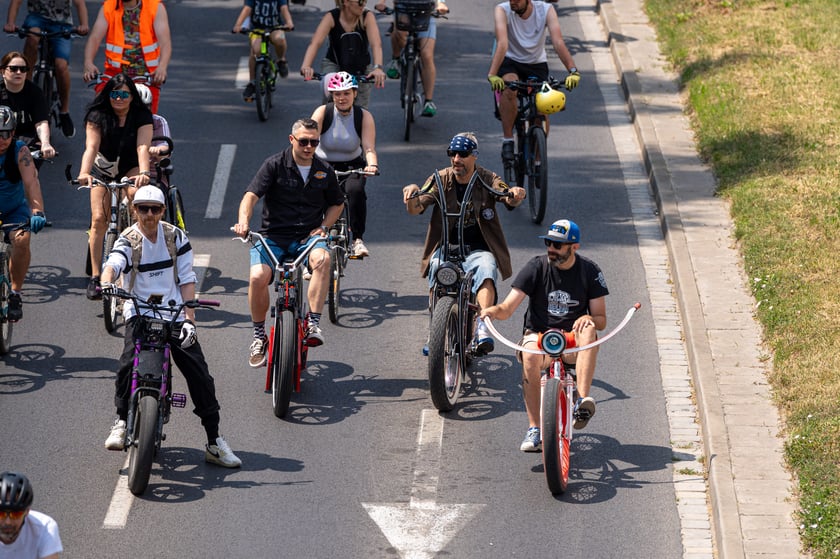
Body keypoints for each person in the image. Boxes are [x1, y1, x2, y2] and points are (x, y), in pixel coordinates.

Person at [99, 185, 242, 468]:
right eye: (142, 209)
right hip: (139, 311)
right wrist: (106, 281)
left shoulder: (176, 238)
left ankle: (214, 442)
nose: (148, 214)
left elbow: (187, 279)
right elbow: (113, 263)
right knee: (128, 362)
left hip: (174, 313)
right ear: (134, 210)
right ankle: (120, 421)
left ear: (163, 211)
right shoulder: (129, 240)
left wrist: (190, 320)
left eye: (154, 209)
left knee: (199, 374)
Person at [479, 219, 609, 452]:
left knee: (590, 329)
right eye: (549, 243)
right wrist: (492, 311)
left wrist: (588, 318)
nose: (551, 248)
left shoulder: (590, 270)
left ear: (574, 247)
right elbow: (507, 308)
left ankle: (582, 400)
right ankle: (535, 428)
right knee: (529, 356)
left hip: (572, 342)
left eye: (557, 245)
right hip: (539, 338)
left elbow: (601, 319)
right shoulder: (536, 267)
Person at [233, 118, 344, 367]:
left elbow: (338, 202)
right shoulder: (273, 165)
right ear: (292, 139)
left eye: (314, 142)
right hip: (273, 237)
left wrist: (324, 227)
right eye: (303, 141)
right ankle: (259, 335)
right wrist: (243, 222)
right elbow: (250, 196)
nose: (308, 147)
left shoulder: (324, 170)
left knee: (324, 259)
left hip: (307, 238)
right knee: (257, 277)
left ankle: (313, 323)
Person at [401, 132, 525, 354]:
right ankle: (435, 330)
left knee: (487, 269)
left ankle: (483, 326)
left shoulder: (487, 178)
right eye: (453, 153)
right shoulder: (440, 179)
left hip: (478, 249)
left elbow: (507, 195)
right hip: (447, 248)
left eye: (463, 154)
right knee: (436, 269)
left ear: (474, 156)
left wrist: (515, 194)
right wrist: (411, 196)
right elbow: (417, 207)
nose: (457, 159)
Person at [76, 73, 152, 301]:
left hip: (130, 167)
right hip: (103, 168)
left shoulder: (141, 115)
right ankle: (96, 277)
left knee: (136, 198)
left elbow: (142, 148)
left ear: (132, 96)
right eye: (114, 94)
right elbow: (91, 147)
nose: (119, 99)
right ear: (107, 95)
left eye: (124, 94)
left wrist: (145, 173)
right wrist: (84, 173)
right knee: (99, 218)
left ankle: (140, 249)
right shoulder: (97, 115)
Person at [487, 0, 580, 164]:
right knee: (510, 88)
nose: (512, 2)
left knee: (542, 107)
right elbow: (502, 43)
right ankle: (508, 139)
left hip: (536, 64)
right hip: (510, 61)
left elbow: (558, 42)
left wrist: (572, 71)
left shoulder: (546, 10)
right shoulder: (502, 10)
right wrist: (492, 74)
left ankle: (538, 160)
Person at [310, 71, 378, 257]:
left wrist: (372, 165)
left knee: (355, 190)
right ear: (331, 95)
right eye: (337, 94)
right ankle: (309, 243)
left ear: (355, 93)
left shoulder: (363, 116)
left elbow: (369, 148)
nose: (342, 98)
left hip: (352, 166)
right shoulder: (322, 112)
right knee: (313, 196)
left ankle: (357, 239)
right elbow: (309, 138)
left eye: (346, 93)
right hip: (323, 165)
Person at [3, 0, 89, 138]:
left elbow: (80, 4)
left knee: (61, 65)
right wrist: (10, 23)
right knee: (32, 37)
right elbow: (16, 2)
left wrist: (84, 25)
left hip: (62, 23)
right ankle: (26, 84)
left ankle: (64, 112)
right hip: (37, 19)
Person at [82, 0, 171, 114]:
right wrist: (88, 62)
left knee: (147, 120)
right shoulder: (109, 7)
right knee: (99, 114)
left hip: (146, 77)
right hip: (115, 76)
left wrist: (162, 67)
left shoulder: (155, 7)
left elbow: (165, 43)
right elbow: (95, 38)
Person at [0, 105, 47, 323]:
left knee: (21, 239)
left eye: (5, 134)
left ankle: (15, 293)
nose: (1, 139)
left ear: (13, 133)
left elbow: (31, 181)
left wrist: (37, 211)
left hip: (13, 210)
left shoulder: (20, 151)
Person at [299, 0, 386, 110]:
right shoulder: (331, 17)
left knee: (361, 112)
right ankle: (326, 119)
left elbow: (376, 44)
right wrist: (306, 65)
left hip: (362, 67)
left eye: (364, 1)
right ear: (346, 2)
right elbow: (315, 43)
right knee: (329, 104)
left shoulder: (367, 16)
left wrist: (378, 68)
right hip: (335, 64)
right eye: (359, 2)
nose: (363, 5)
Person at [375, 0, 448, 117]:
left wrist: (441, 4)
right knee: (398, 32)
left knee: (427, 55)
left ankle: (428, 101)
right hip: (403, 9)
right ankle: (396, 59)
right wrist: (381, 2)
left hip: (426, 13)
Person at [232, 0, 294, 103]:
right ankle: (252, 82)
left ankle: (281, 60)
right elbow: (247, 9)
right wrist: (238, 25)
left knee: (280, 39)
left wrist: (289, 23)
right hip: (257, 29)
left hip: (275, 27)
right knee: (255, 51)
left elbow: (284, 9)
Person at [0, 52, 54, 161]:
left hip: (27, 143)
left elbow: (41, 122)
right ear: (2, 72)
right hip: (2, 141)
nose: (19, 72)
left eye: (23, 69)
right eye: (13, 69)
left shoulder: (35, 92)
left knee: (30, 175)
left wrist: (45, 143)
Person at [0, 472, 62, 558]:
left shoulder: (45, 527)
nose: (8, 522)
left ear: (27, 512)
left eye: (16, 514)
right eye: (1, 514)